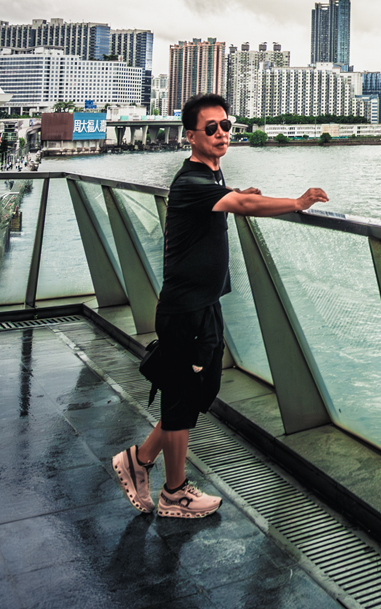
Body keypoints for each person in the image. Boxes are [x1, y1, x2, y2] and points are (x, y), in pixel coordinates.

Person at [112, 93, 328, 518]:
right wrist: (296, 203)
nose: (221, 133)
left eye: (226, 125)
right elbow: (241, 205)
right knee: (181, 398)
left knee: (202, 389)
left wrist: (232, 191)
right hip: (184, 310)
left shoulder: (211, 176)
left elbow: (228, 197)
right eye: (210, 128)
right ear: (190, 136)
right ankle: (174, 493)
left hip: (206, 304)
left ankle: (140, 459)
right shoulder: (189, 182)